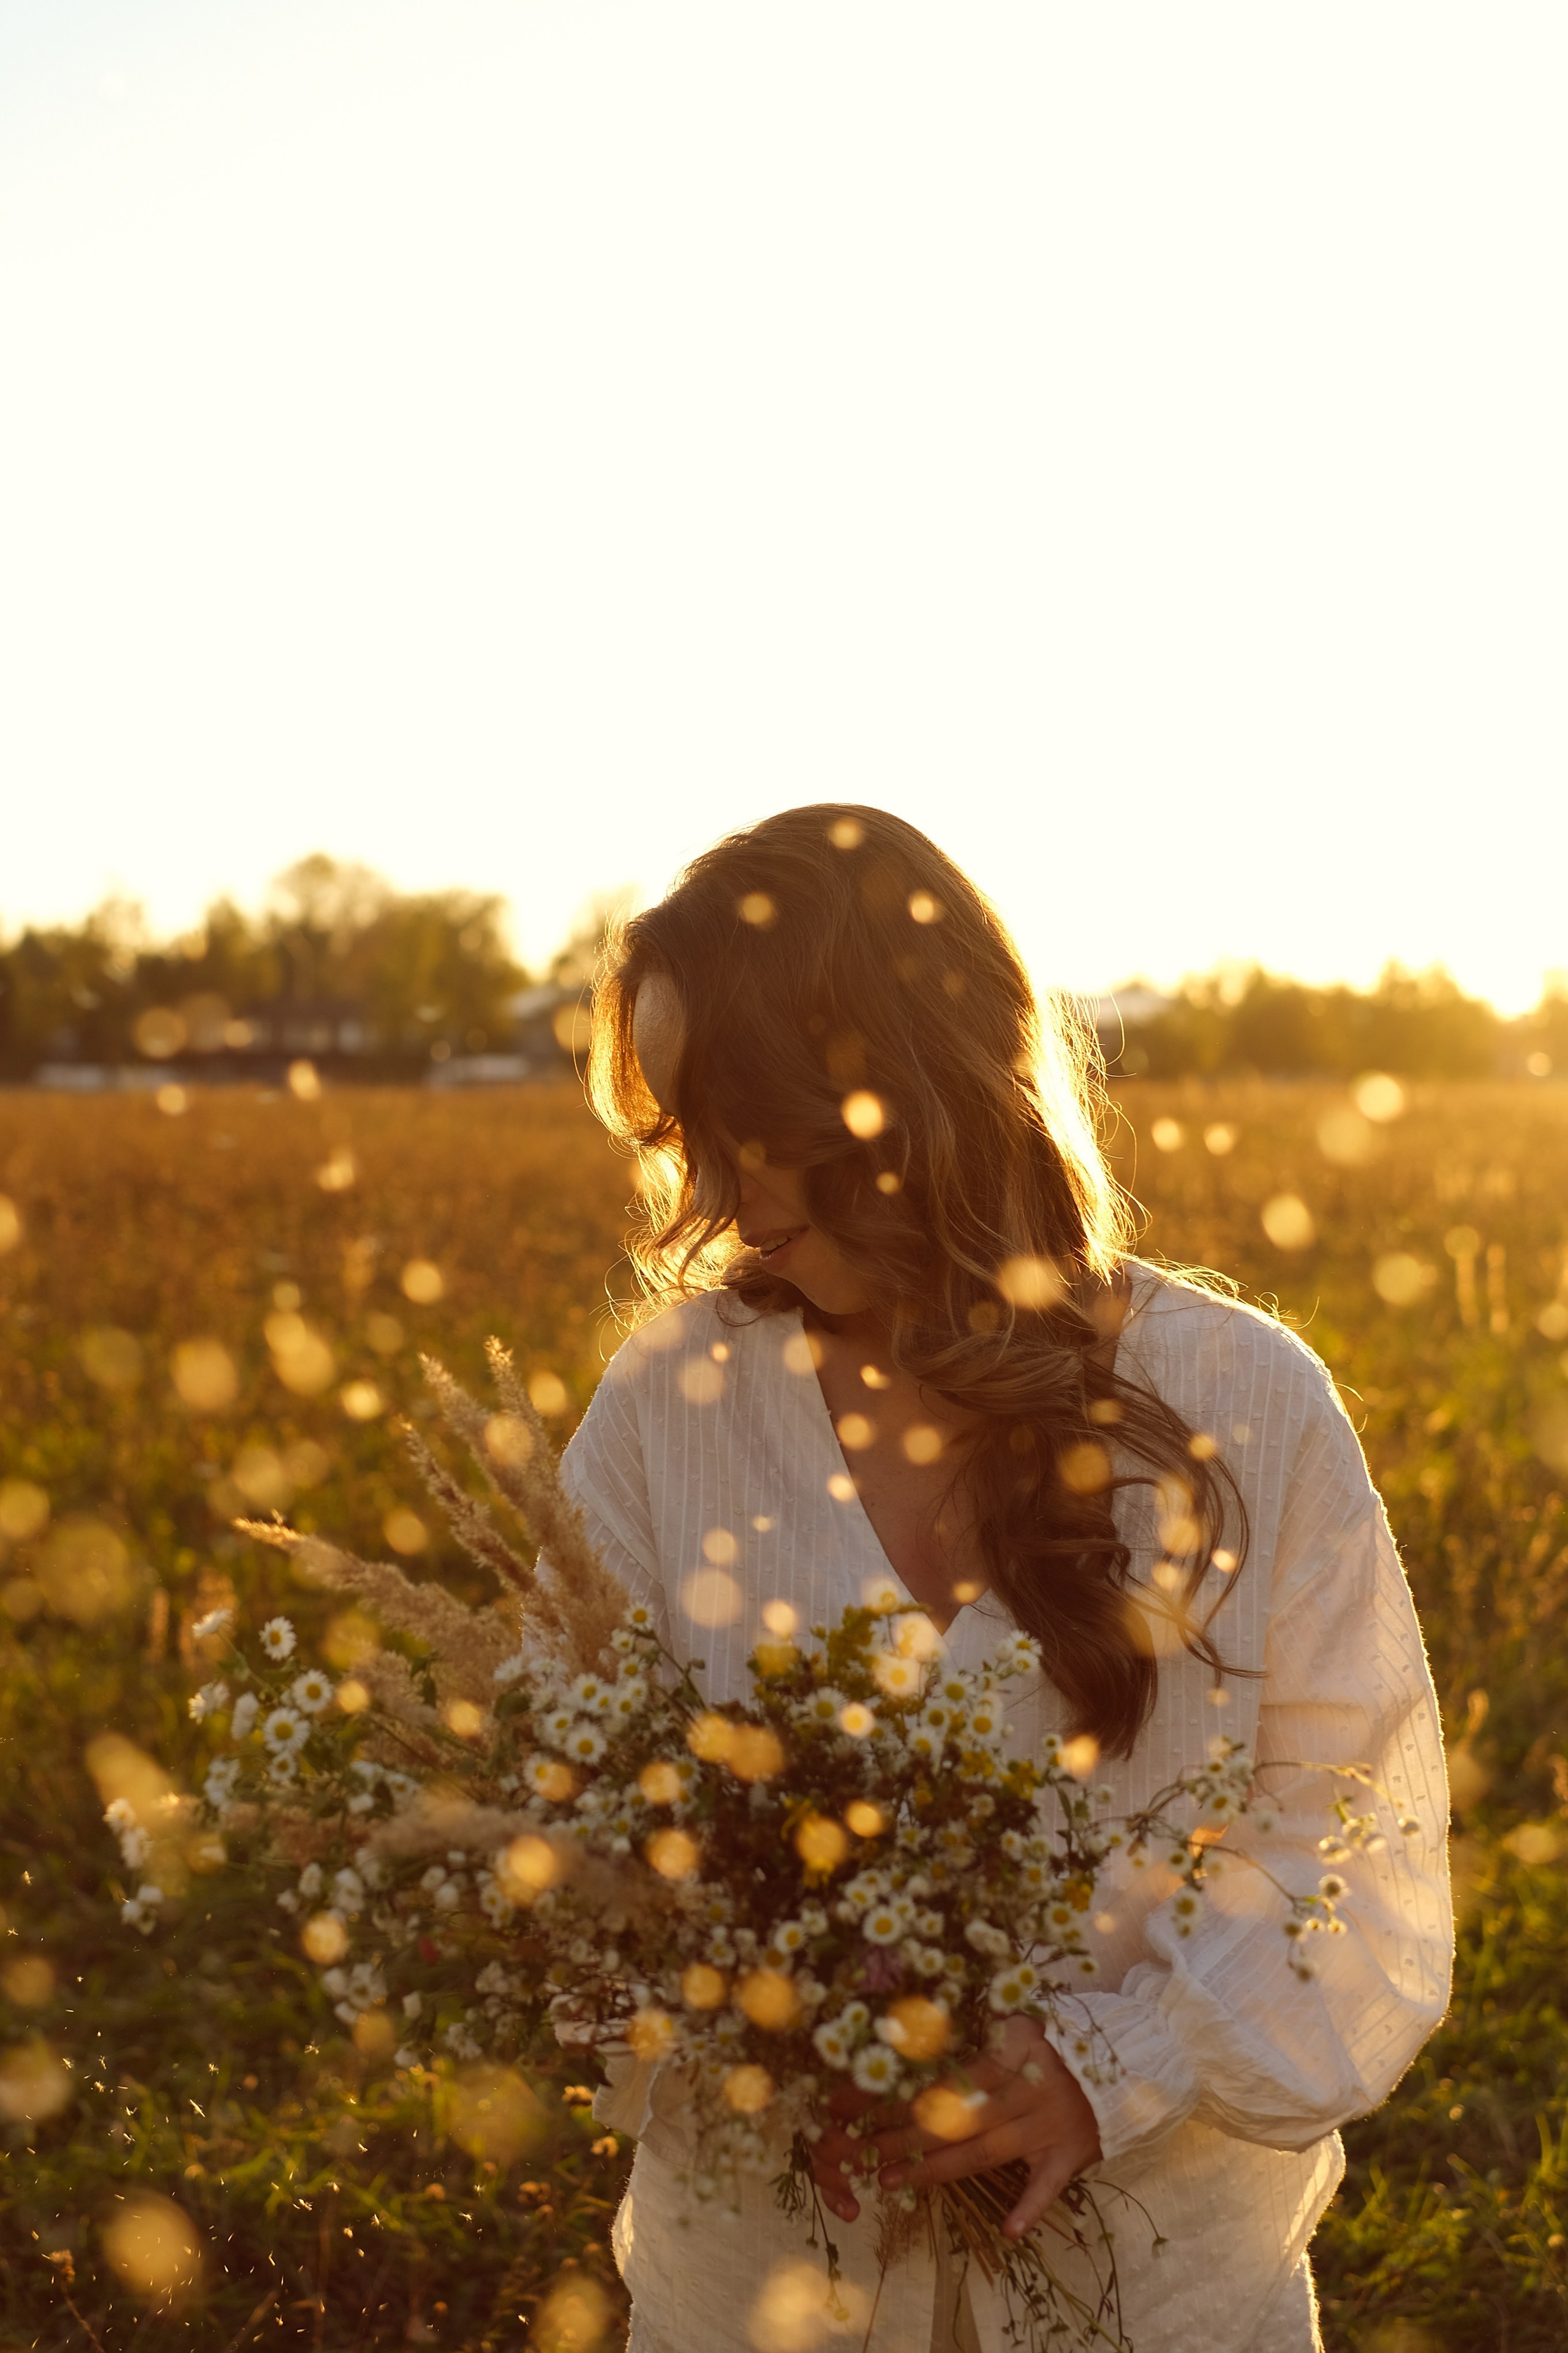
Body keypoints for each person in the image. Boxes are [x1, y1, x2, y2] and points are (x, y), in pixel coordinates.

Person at [558, 805, 1452, 2353]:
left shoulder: (1243, 1403)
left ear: (908, 1092)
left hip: (1153, 2293)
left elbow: (1354, 1853)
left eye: (758, 1125)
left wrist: (1112, 2062)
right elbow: (566, 1813)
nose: (727, 1193)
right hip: (767, 2291)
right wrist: (745, 1991)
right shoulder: (667, 1407)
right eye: (690, 1132)